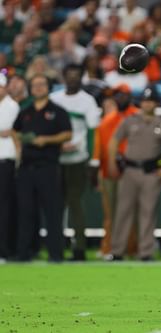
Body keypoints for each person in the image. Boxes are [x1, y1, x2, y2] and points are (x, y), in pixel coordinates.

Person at [108, 84, 161, 261]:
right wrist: (112, 163)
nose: (148, 104)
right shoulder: (130, 121)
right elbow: (114, 141)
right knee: (123, 211)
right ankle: (117, 251)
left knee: (148, 212)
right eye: (145, 101)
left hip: (151, 173)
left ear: (156, 103)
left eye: (151, 101)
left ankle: (145, 252)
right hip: (129, 170)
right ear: (141, 103)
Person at [12, 74, 72, 262]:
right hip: (27, 167)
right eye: (35, 85)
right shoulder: (25, 111)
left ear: (48, 87)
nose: (38, 88)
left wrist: (47, 140)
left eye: (41, 84)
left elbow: (67, 134)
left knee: (52, 212)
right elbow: (15, 130)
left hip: (48, 166)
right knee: (26, 211)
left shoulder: (58, 111)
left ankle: (56, 254)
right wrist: (20, 145)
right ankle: (25, 253)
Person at [50, 63, 100, 261]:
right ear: (63, 76)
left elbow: (92, 133)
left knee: (76, 204)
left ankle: (79, 248)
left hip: (78, 159)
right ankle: (57, 247)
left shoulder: (87, 101)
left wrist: (92, 160)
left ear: (81, 77)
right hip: (56, 158)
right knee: (55, 205)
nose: (73, 79)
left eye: (76, 75)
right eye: (69, 75)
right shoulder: (55, 99)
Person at [92, 84, 138, 258]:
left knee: (131, 212)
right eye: (115, 95)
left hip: (132, 169)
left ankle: (132, 248)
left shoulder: (137, 116)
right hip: (109, 172)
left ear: (128, 96)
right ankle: (109, 247)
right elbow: (99, 151)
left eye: (121, 95)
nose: (117, 98)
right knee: (111, 213)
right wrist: (100, 172)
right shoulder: (107, 122)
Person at [0, 73, 20, 260]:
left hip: (6, 161)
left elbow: (7, 128)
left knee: (4, 208)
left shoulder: (12, 106)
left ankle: (4, 249)